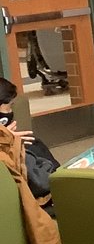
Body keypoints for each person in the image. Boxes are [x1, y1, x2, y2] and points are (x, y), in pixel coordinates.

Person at [0, 77, 59, 216]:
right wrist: (10, 142)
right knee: (33, 144)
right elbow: (40, 183)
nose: (11, 111)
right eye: (10, 105)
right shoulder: (15, 146)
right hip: (36, 193)